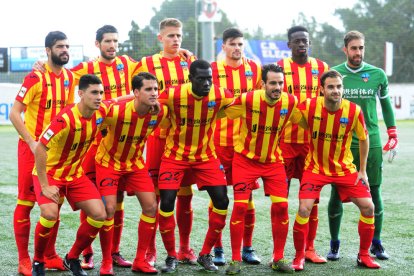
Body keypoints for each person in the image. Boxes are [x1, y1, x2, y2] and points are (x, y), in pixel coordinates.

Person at [291, 70, 380, 271]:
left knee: (369, 207)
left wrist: (363, 171)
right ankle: (299, 257)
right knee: (304, 208)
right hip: (315, 168)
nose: (336, 90)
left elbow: (364, 139)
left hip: (345, 169)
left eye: (339, 87)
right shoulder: (309, 106)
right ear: (322, 89)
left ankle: (364, 255)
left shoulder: (354, 110)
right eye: (331, 87)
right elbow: (296, 118)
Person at [31, 74, 118, 276]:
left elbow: (117, 100)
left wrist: (148, 100)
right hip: (51, 174)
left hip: (75, 175)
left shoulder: (100, 110)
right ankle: (38, 261)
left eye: (100, 93)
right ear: (81, 94)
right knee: (50, 214)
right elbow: (40, 148)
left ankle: (72, 257)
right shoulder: (64, 119)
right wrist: (45, 185)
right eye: (94, 93)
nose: (99, 97)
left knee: (100, 215)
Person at [157, 60, 233, 273]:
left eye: (210, 78)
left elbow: (242, 102)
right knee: (167, 203)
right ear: (190, 79)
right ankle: (171, 256)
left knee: (222, 200)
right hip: (175, 157)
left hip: (206, 157)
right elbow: (150, 100)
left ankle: (205, 254)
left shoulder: (219, 94)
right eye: (201, 79)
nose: (207, 83)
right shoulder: (173, 94)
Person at [327, 30, 398, 261]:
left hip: (372, 142)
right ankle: (334, 244)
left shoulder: (377, 74)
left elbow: (386, 105)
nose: (358, 52)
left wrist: (392, 132)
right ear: (345, 49)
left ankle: (376, 243)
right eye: (354, 48)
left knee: (374, 191)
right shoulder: (335, 75)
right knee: (336, 194)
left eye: (361, 48)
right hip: (342, 144)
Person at [9, 31, 75, 276]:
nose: (64, 50)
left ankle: (49, 254)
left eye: (67, 46)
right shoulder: (34, 78)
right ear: (48, 50)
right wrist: (32, 142)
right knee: (25, 203)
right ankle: (24, 259)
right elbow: (14, 114)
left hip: (55, 153)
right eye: (60, 46)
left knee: (54, 202)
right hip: (31, 149)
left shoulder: (69, 77)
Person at [134, 17, 198, 266]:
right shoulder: (147, 63)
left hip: (183, 138)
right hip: (157, 138)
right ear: (160, 38)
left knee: (185, 194)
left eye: (179, 36)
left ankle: (184, 248)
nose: (176, 40)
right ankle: (150, 250)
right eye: (170, 36)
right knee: (155, 197)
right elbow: (134, 92)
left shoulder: (188, 61)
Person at [224, 64, 296, 275]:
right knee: (239, 208)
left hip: (273, 162)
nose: (277, 87)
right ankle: (235, 260)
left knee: (282, 207)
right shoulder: (248, 99)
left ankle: (278, 258)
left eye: (280, 83)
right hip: (245, 161)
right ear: (263, 83)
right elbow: (223, 112)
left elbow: (305, 119)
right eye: (273, 83)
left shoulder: (290, 102)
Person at [94, 72, 168, 275]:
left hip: (134, 164)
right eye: (148, 89)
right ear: (135, 92)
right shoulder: (115, 111)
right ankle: (107, 261)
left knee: (152, 206)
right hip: (108, 163)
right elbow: (96, 109)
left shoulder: (158, 113)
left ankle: (139, 260)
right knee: (109, 209)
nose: (154, 93)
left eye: (156, 89)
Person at [276, 25, 329, 264]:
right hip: (284, 143)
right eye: (296, 41)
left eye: (305, 40)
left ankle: (309, 248)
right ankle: (278, 253)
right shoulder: (279, 68)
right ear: (289, 44)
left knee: (312, 199)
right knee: (281, 199)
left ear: (310, 42)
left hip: (311, 144)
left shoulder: (322, 68)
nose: (301, 44)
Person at [210, 27, 262, 266]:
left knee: (246, 198)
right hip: (218, 145)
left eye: (240, 44)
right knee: (218, 199)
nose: (237, 48)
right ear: (224, 46)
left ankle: (247, 248)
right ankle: (218, 248)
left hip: (245, 146)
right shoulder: (212, 69)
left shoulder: (254, 68)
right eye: (232, 44)